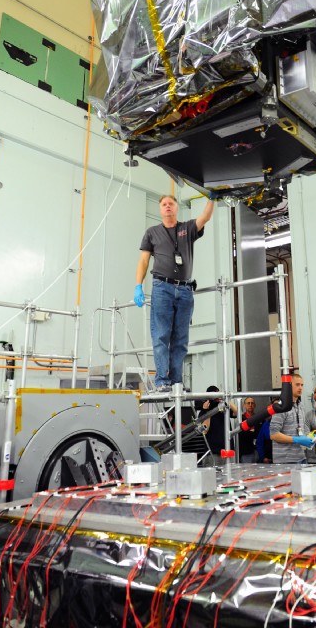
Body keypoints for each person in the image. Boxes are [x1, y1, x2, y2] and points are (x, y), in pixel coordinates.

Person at [134, 194, 214, 392]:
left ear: (177, 208)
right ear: (160, 209)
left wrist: (212, 198)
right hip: (162, 287)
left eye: (171, 203)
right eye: (164, 204)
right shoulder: (152, 233)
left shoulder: (187, 229)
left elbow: (204, 218)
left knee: (181, 339)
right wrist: (138, 285)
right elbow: (144, 261)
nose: (167, 206)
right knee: (161, 335)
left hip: (185, 289)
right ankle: (162, 380)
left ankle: (177, 382)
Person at [270, 373, 316, 464]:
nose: (300, 388)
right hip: (285, 460)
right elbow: (273, 435)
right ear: (289, 386)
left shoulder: (301, 406)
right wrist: (296, 439)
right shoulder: (280, 407)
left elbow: (301, 430)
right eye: (297, 385)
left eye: (302, 385)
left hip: (301, 457)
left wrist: (311, 437)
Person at [198, 385, 238, 466]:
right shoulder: (203, 412)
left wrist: (226, 399)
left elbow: (237, 412)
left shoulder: (223, 408)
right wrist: (207, 411)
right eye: (215, 395)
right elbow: (204, 430)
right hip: (213, 453)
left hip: (227, 451)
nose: (217, 397)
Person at [256, 397, 281, 463]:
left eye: (279, 406)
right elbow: (259, 443)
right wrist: (263, 457)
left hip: (284, 459)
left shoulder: (288, 423)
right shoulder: (266, 424)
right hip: (268, 460)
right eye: (275, 406)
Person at [238, 397, 260, 463]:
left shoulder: (259, 418)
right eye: (248, 403)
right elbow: (242, 434)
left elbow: (260, 433)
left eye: (252, 403)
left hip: (258, 451)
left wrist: (250, 431)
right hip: (246, 452)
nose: (250, 405)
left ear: (255, 405)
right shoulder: (241, 419)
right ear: (244, 405)